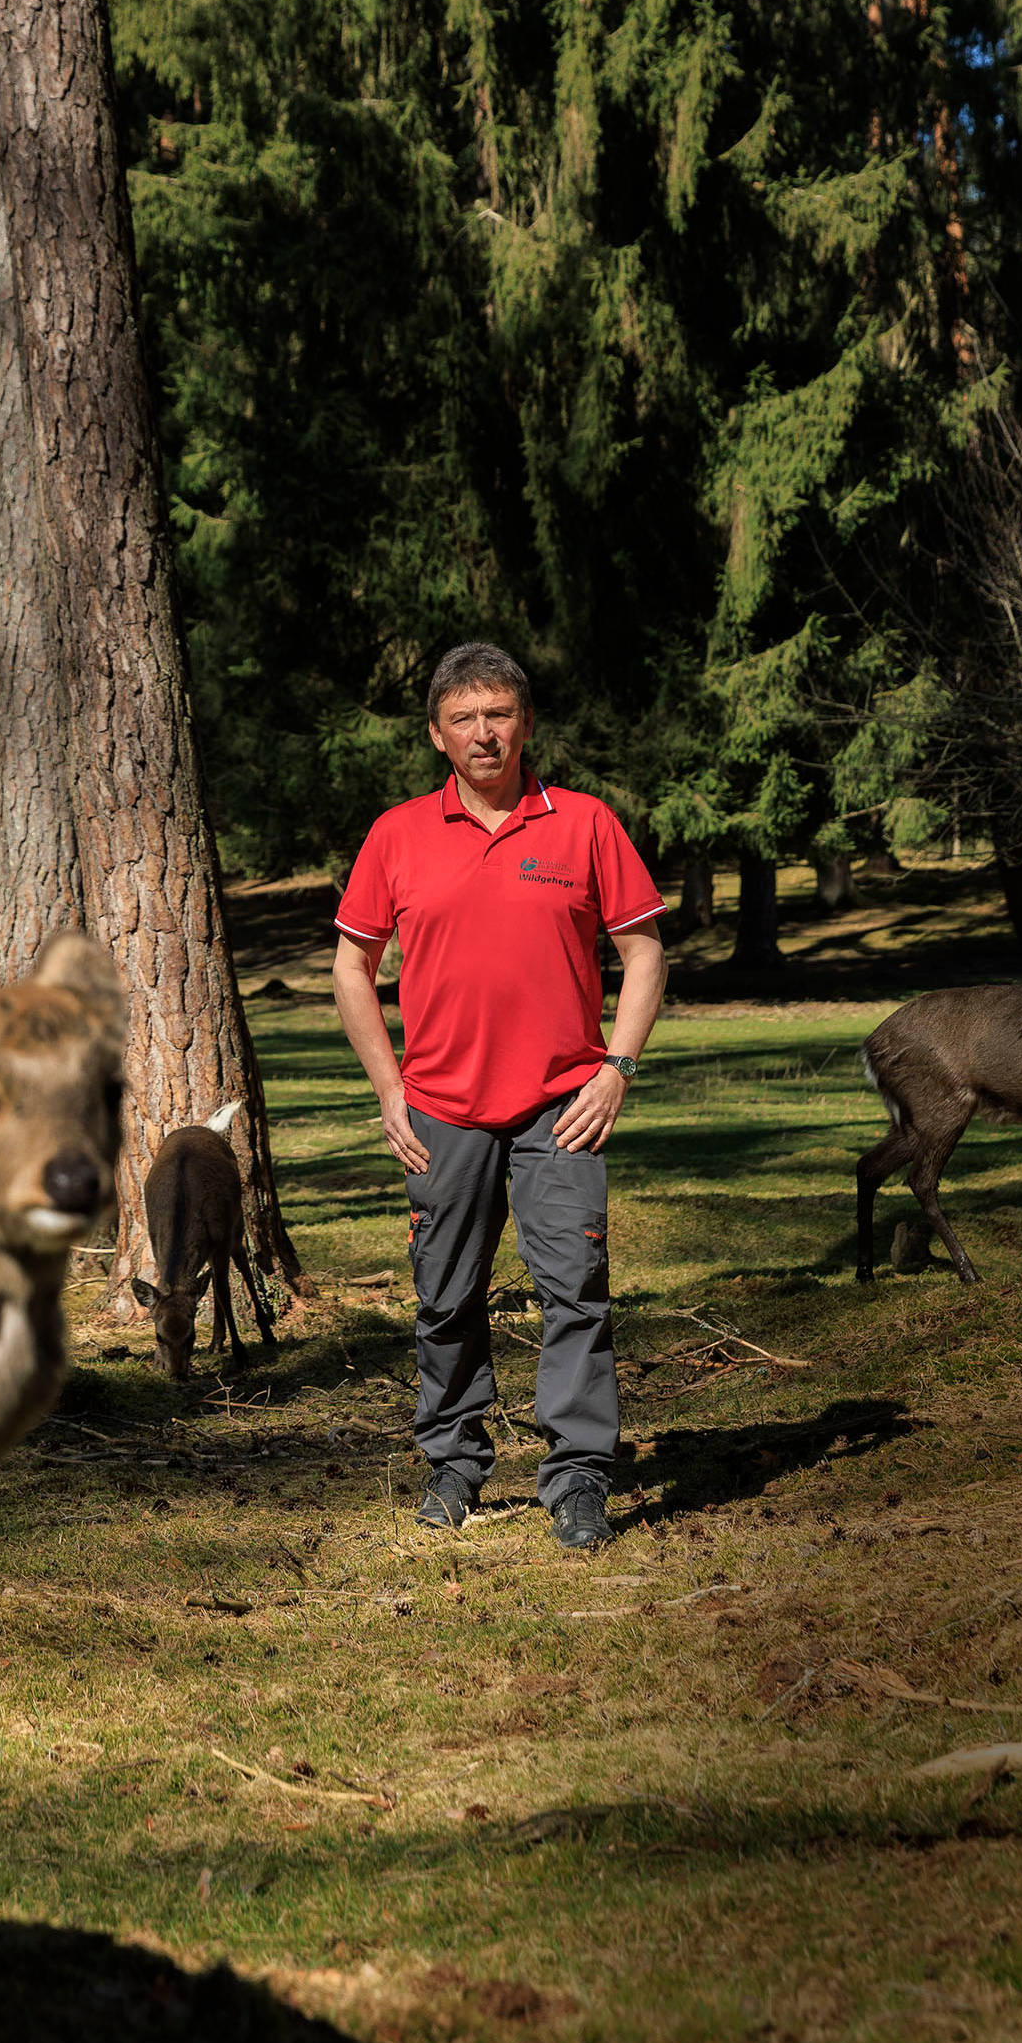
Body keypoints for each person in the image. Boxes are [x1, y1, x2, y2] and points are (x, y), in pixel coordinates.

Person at [332, 642, 666, 1553]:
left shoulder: (585, 822)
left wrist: (615, 1071)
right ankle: (453, 1462)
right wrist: (388, 1089)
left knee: (576, 1294)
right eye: (464, 718)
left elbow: (643, 954)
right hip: (439, 1109)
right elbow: (352, 968)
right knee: (444, 1296)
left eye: (500, 714)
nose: (484, 732)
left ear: (525, 724)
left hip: (563, 1105)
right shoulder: (396, 834)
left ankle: (579, 1478)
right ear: (437, 734)